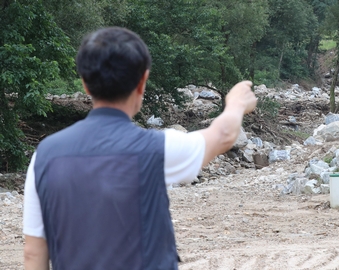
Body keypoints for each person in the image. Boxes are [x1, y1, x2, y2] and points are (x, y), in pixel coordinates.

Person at [22, 27, 257, 270]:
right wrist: (237, 103)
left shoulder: (44, 156)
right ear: (142, 81)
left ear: (85, 83)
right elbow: (224, 134)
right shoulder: (156, 148)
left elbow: (33, 253)